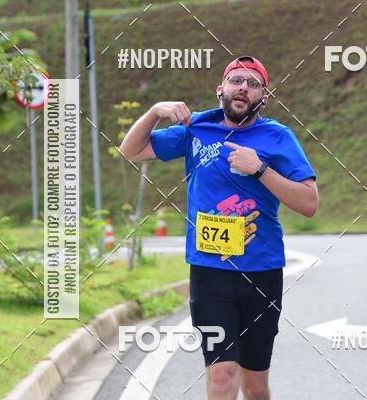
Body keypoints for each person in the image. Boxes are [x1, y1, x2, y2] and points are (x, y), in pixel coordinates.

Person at [120, 56, 318, 400]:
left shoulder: (278, 137)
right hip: (209, 273)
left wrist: (260, 170)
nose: (243, 88)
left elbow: (309, 203)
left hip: (262, 273)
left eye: (253, 84)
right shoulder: (196, 128)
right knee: (222, 375)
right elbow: (130, 150)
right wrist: (154, 112)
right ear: (221, 89)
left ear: (264, 97)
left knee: (255, 386)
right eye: (236, 80)